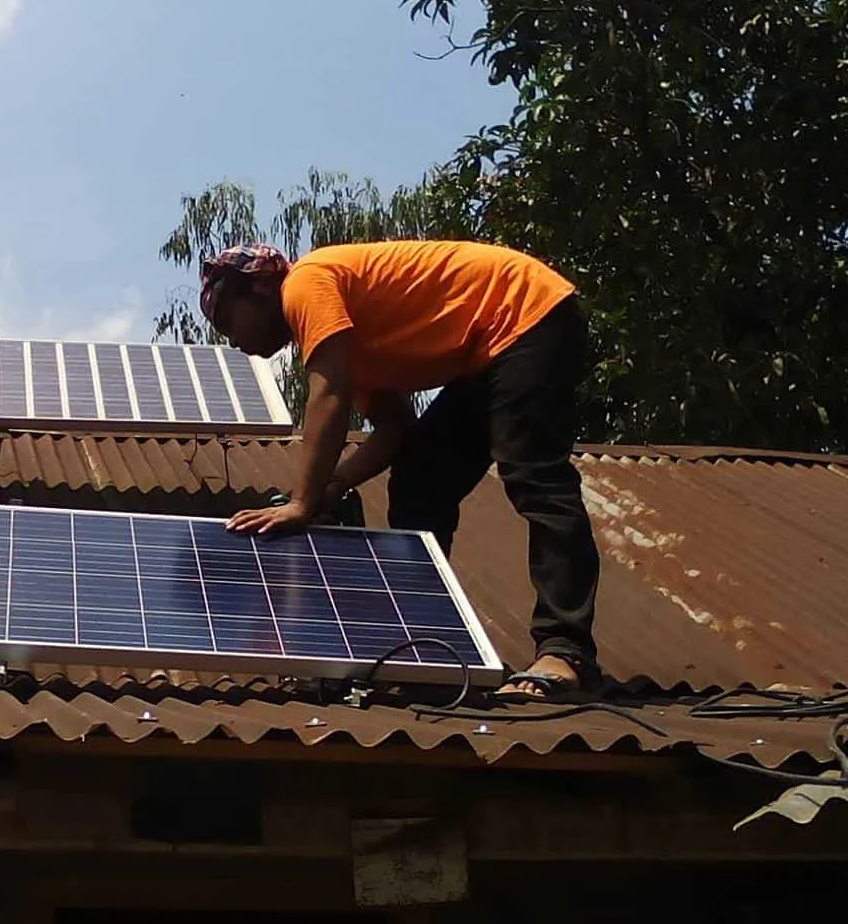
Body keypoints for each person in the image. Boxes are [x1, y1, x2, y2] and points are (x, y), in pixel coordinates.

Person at [201, 240, 602, 697]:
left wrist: (302, 502)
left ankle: (565, 653)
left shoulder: (304, 283)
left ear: (258, 292)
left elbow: (327, 393)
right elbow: (395, 430)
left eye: (227, 322)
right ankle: (424, 649)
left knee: (534, 477)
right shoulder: (352, 346)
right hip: (489, 348)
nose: (234, 342)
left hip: (525, 313)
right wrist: (333, 488)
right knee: (420, 477)